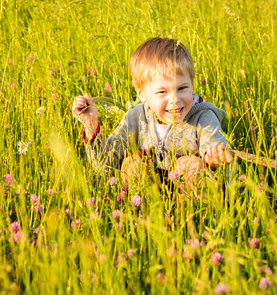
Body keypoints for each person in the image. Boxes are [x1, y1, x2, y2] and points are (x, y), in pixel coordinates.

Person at [71, 36, 233, 189]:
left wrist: (214, 160)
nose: (175, 100)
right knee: (132, 163)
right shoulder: (136, 118)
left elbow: (221, 165)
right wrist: (91, 126)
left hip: (189, 197)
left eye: (182, 88)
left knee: (189, 166)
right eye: (162, 92)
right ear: (142, 94)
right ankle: (144, 213)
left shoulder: (203, 118)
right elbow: (106, 165)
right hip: (152, 193)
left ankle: (190, 214)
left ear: (192, 84)